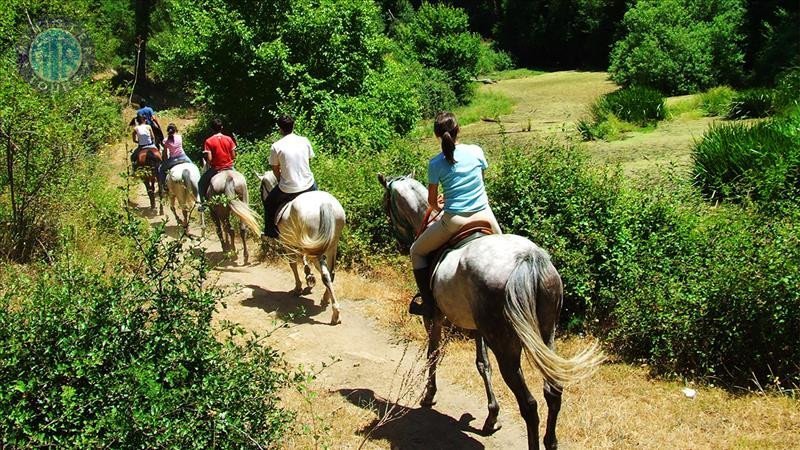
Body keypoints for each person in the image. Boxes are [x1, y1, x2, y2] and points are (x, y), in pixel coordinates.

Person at [408, 111, 502, 317]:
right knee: (504, 250)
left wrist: (441, 204)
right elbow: (479, 182)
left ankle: (428, 304)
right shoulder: (477, 151)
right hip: (484, 215)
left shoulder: (435, 164)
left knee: (416, 251)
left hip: (455, 220)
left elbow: (431, 203)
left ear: (437, 136)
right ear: (458, 130)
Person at [262, 115, 318, 238]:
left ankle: (270, 233)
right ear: (293, 126)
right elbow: (309, 161)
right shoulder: (304, 140)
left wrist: (280, 180)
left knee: (269, 203)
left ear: (280, 129)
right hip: (309, 184)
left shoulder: (276, 146)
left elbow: (275, 169)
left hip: (288, 188)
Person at [198, 118, 237, 207]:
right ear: (222, 127)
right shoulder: (229, 139)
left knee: (200, 183)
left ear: (212, 129)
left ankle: (203, 205)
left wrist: (209, 162)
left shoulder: (208, 141)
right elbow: (234, 156)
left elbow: (210, 159)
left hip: (216, 169)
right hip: (230, 167)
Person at [158, 123, 193, 191]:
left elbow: (165, 154)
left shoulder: (165, 141)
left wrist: (164, 161)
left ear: (168, 131)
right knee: (193, 166)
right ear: (175, 130)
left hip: (173, 160)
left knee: (161, 169)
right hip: (183, 157)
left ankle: (164, 185)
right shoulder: (179, 137)